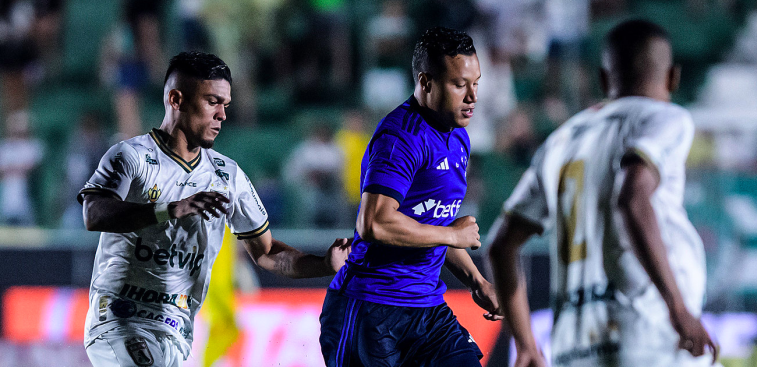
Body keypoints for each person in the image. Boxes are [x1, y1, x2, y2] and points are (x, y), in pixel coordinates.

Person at [79, 51, 350, 367]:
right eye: (212, 102)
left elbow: (267, 253)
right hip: (120, 320)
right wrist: (170, 209)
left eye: (226, 104)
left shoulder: (228, 176)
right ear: (176, 99)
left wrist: (324, 264)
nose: (222, 114)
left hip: (177, 334)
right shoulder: (131, 157)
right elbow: (94, 213)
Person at [487, 20, 719, 367]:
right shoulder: (664, 118)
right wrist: (678, 307)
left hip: (574, 349)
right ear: (672, 77)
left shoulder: (559, 142)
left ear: (605, 79)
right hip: (650, 336)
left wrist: (526, 346)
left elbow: (500, 245)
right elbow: (632, 197)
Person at [319, 27, 502, 367]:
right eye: (459, 84)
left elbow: (430, 225)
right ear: (426, 82)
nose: (473, 95)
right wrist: (453, 234)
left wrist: (477, 281)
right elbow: (374, 222)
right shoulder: (400, 137)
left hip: (426, 309)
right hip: (370, 310)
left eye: (476, 82)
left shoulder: (458, 138)